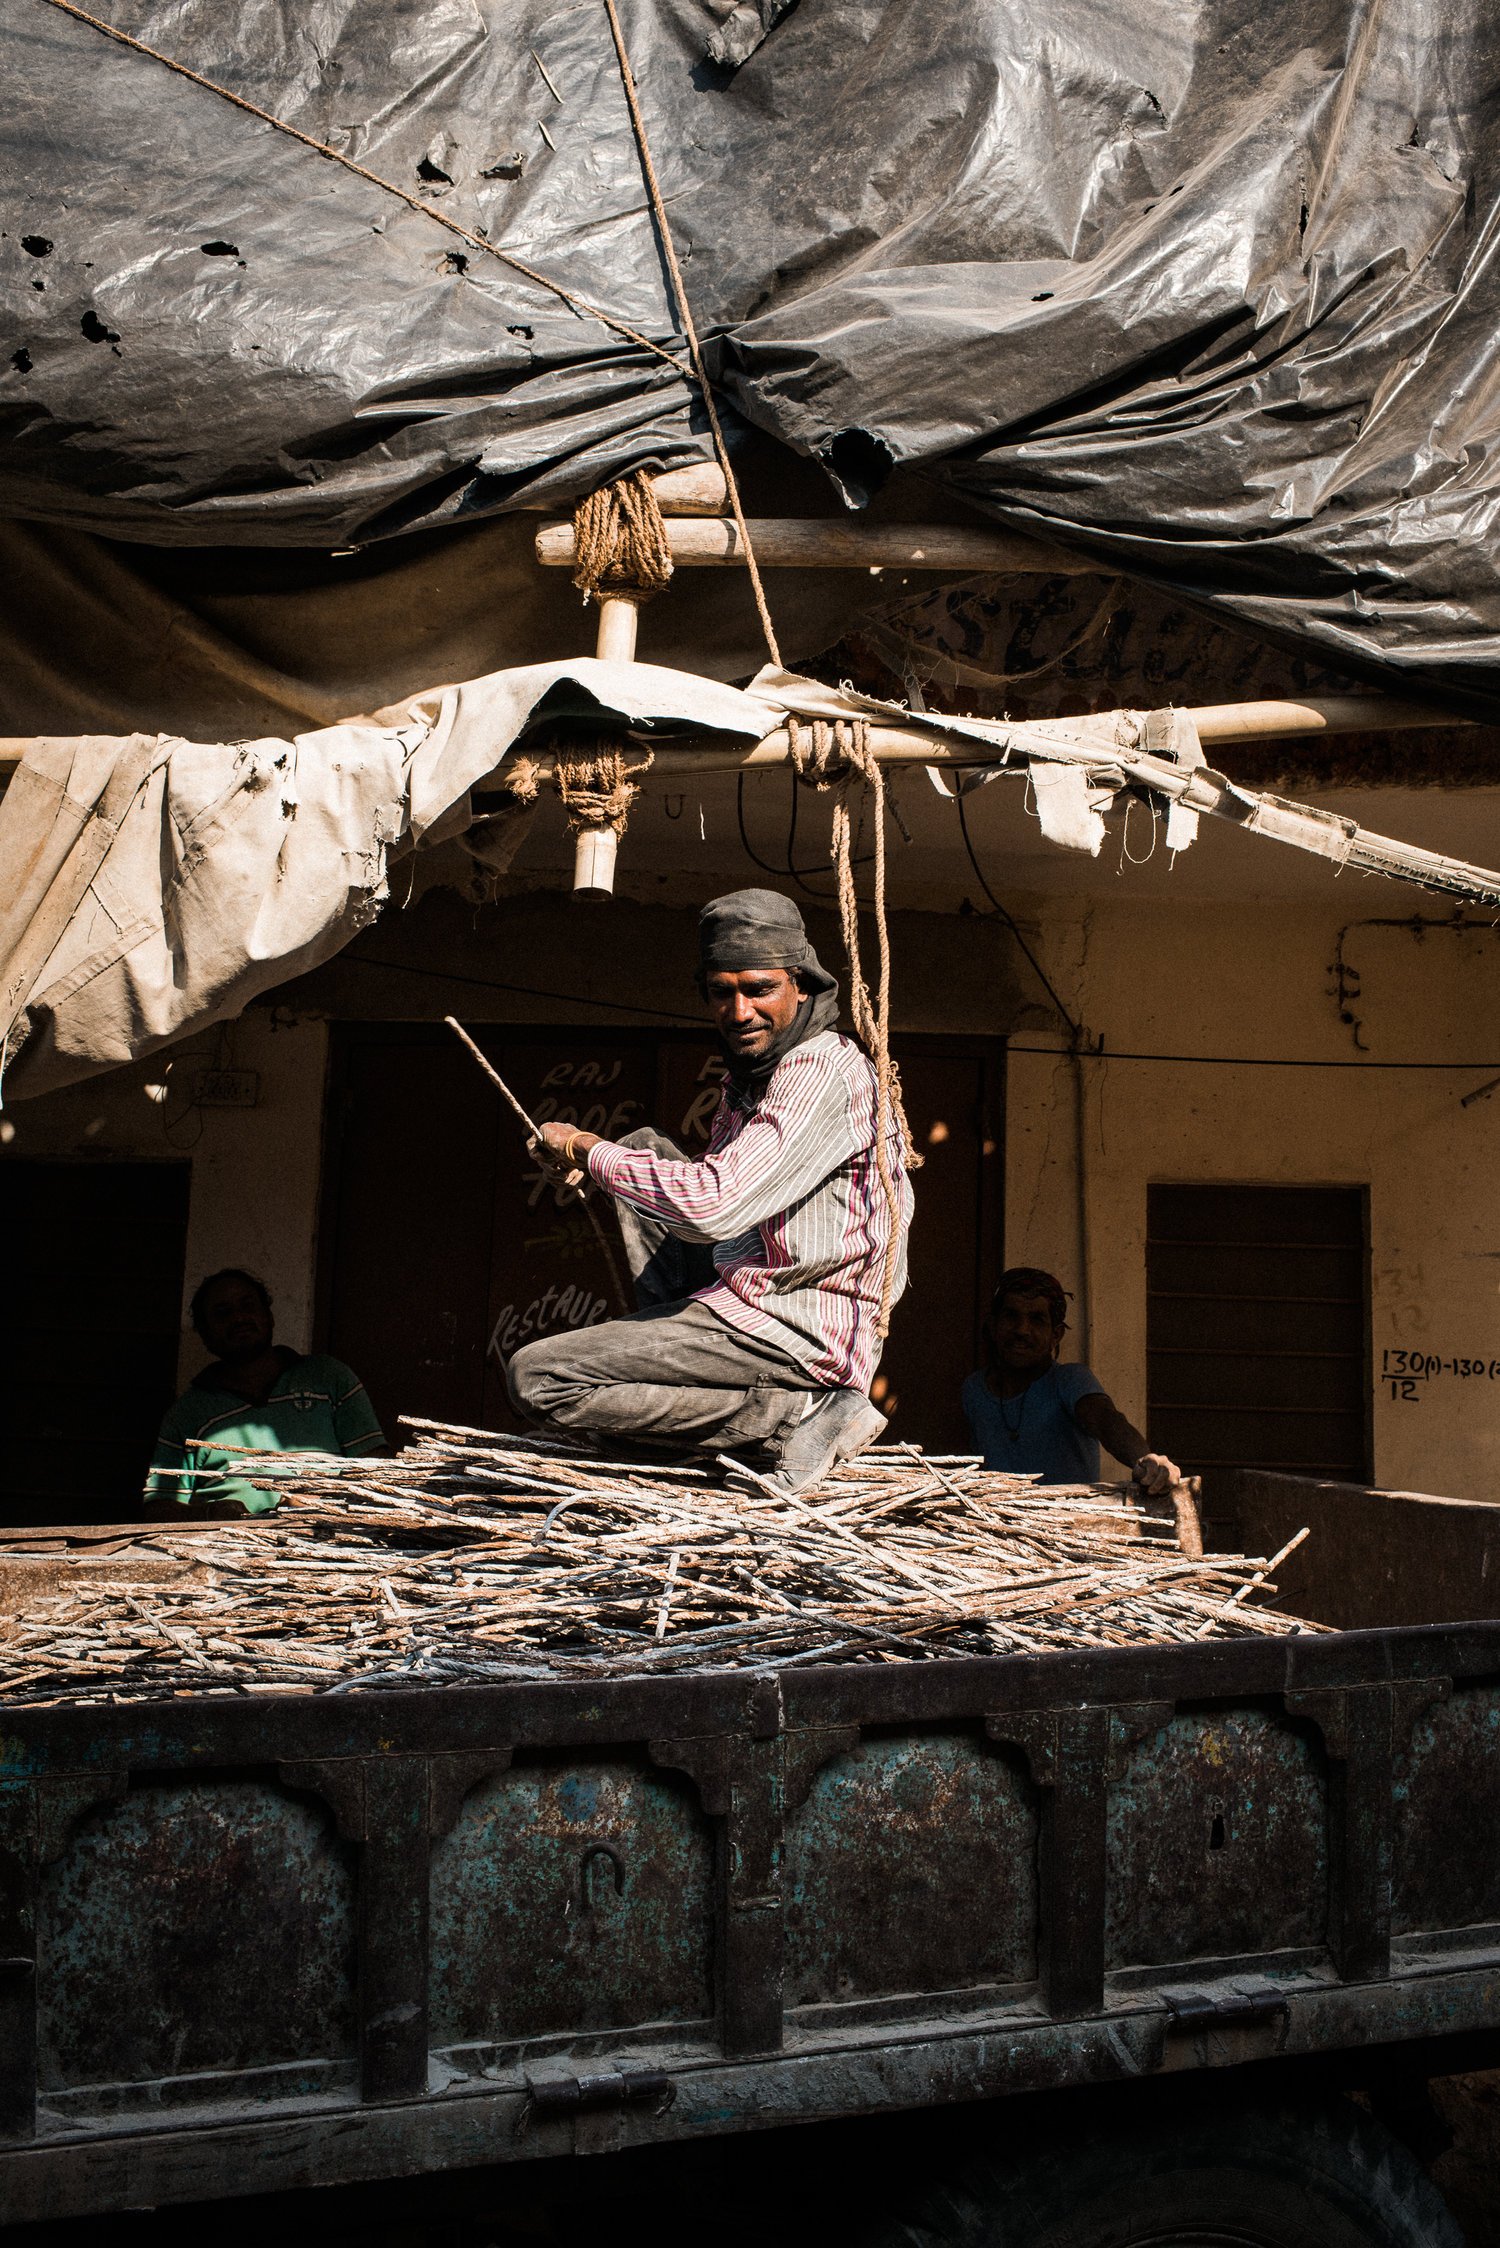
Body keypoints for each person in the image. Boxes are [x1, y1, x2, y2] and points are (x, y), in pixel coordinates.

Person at [506, 888, 913, 1494]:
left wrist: (590, 1151)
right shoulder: (750, 1078)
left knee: (537, 1378)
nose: (739, 1010)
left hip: (797, 1328)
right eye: (722, 992)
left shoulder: (822, 1068)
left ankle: (797, 1413)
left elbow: (710, 1207)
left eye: (758, 989)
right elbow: (702, 1201)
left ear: (800, 985)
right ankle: (692, 1380)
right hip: (744, 1291)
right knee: (643, 1148)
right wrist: (605, 1166)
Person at [144, 1268, 384, 1515]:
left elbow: (377, 1468)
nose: (239, 1318)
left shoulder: (329, 1378)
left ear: (269, 1316)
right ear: (205, 1334)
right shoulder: (188, 1413)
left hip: (328, 1539)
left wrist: (324, 1500)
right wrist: (209, 1514)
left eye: (248, 1306)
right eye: (223, 1313)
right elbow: (157, 1509)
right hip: (225, 1548)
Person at [962, 1266, 1180, 1493]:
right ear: (993, 1325)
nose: (1022, 1330)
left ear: (1055, 1335)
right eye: (1011, 1316)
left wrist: (1144, 1459)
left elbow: (1107, 1422)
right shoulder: (974, 1390)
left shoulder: (1069, 1380)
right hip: (994, 1521)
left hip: (1068, 1523)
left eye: (1036, 1319)